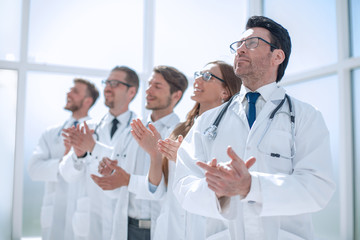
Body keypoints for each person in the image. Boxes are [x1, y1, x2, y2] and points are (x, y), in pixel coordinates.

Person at [173, 16, 336, 239]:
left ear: (277, 56)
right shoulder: (207, 121)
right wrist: (218, 192)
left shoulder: (306, 116)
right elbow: (183, 185)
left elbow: (318, 188)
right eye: (238, 45)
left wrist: (252, 186)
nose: (239, 50)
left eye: (251, 43)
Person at [130, 60, 242, 240]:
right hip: (170, 229)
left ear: (225, 91)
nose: (198, 80)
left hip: (206, 228)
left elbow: (224, 185)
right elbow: (159, 190)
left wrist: (182, 158)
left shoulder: (234, 131)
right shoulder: (178, 130)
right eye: (198, 74)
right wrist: (154, 155)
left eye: (207, 77)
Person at [91, 65, 188, 240]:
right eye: (149, 84)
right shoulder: (131, 131)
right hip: (127, 227)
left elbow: (165, 189)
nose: (148, 91)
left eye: (157, 86)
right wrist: (111, 174)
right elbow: (117, 189)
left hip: (160, 227)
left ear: (176, 95)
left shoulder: (181, 135)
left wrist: (127, 180)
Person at [59, 66, 139, 239]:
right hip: (89, 221)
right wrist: (78, 155)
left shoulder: (140, 132)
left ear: (131, 91)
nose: (108, 87)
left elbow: (131, 172)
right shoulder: (88, 128)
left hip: (124, 220)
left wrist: (94, 148)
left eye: (115, 83)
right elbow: (67, 175)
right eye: (107, 82)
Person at [28, 78, 99, 240]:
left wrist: (75, 158)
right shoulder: (51, 133)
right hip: (53, 211)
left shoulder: (96, 132)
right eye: (69, 90)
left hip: (83, 211)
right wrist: (66, 158)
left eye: (75, 91)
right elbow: (34, 170)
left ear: (88, 101)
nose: (68, 93)